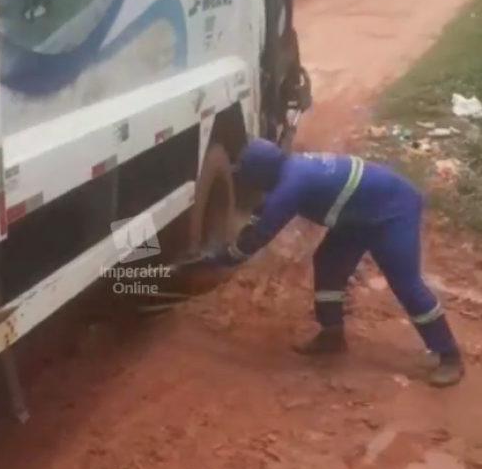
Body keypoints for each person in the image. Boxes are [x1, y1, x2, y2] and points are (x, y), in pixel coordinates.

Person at [180, 139, 464, 387]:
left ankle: (449, 354)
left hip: (392, 210)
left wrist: (217, 259)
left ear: (261, 173)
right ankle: (332, 335)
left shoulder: (292, 185)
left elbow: (258, 236)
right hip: (356, 216)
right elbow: (259, 217)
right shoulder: (290, 171)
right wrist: (224, 250)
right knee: (328, 263)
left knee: (405, 283)